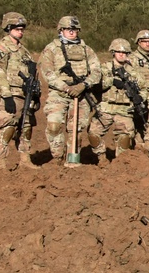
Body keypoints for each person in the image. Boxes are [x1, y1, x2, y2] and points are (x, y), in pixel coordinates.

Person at [39, 16, 102, 165]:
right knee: (54, 126)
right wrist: (66, 88)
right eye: (68, 29)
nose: (72, 32)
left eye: (74, 29)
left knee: (77, 130)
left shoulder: (87, 50)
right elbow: (47, 72)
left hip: (81, 94)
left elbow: (97, 72)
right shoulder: (51, 49)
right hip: (59, 93)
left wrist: (84, 85)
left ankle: (72, 159)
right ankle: (57, 158)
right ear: (61, 30)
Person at [0, 12, 38, 170]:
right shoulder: (1, 47)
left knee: (26, 127)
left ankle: (25, 159)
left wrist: (36, 95)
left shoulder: (24, 51)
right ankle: (1, 161)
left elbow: (32, 76)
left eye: (22, 28)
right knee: (9, 126)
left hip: (25, 95)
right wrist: (6, 95)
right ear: (8, 28)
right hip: (11, 93)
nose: (20, 31)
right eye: (17, 28)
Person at [88, 38, 149, 161]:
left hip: (125, 110)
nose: (122, 55)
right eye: (118, 52)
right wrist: (112, 81)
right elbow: (96, 85)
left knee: (125, 139)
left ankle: (120, 162)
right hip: (105, 108)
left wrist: (140, 97)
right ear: (113, 52)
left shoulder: (134, 72)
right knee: (93, 134)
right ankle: (101, 157)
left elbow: (144, 89)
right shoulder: (104, 69)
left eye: (125, 52)